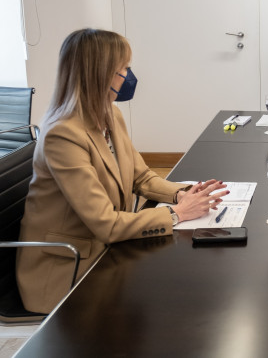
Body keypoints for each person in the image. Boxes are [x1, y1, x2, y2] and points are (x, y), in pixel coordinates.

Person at [16, 28, 229, 313]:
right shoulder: (63, 135)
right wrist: (177, 213)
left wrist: (184, 193)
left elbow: (140, 176)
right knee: (176, 298)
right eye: (124, 69)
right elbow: (105, 224)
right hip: (69, 267)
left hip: (105, 249)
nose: (129, 76)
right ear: (100, 74)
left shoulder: (109, 113)